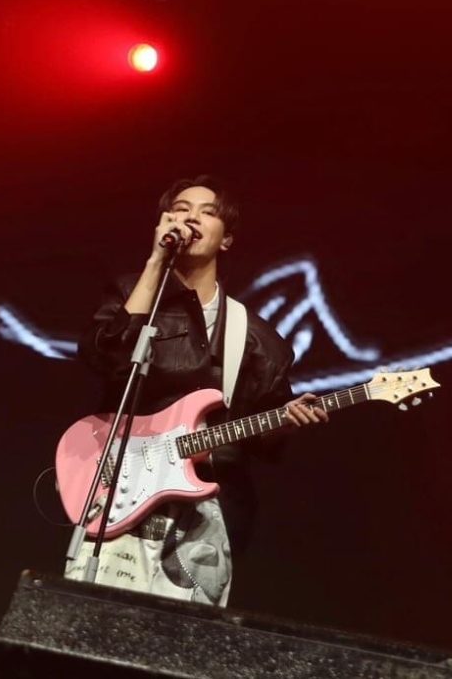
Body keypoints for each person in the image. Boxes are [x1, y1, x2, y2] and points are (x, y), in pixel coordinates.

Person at [65, 175, 326, 606]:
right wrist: (155, 263)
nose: (192, 218)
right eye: (181, 209)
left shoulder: (257, 339)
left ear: (227, 238)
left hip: (201, 517)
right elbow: (105, 357)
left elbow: (263, 439)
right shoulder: (132, 292)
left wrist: (288, 420)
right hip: (121, 492)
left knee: (180, 638)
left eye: (207, 212)